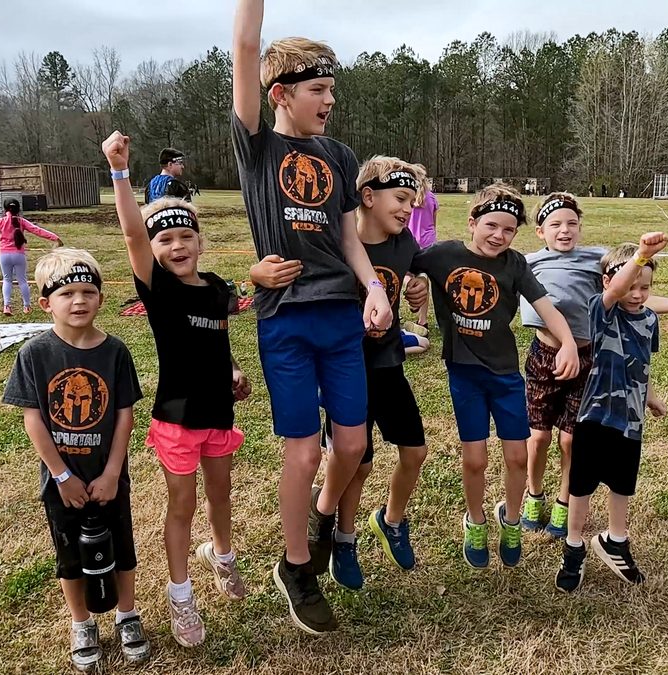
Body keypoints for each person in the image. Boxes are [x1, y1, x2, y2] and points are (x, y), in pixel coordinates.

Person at [232, 0, 392, 634]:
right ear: (281, 94)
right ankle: (296, 564)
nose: (329, 100)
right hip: (285, 318)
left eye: (332, 89)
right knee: (302, 453)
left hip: (342, 316)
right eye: (319, 90)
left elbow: (349, 234)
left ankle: (326, 516)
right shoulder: (256, 147)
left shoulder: (340, 153)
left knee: (352, 444)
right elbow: (245, 49)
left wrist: (373, 287)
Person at [252, 156, 429, 590]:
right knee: (357, 462)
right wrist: (255, 274)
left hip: (387, 364)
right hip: (346, 366)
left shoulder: (405, 243)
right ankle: (342, 535)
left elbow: (419, 273)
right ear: (366, 197)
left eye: (413, 202)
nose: (408, 209)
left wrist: (419, 286)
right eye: (401, 198)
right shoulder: (336, 247)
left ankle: (390, 520)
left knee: (416, 452)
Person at [103, 130, 251, 648]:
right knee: (182, 504)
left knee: (221, 495)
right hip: (176, 417)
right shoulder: (158, 290)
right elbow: (129, 235)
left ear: (200, 241)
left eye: (185, 237)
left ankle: (222, 556)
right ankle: (180, 594)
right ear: (154, 250)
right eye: (164, 240)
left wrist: (233, 372)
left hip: (218, 413)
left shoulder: (216, 288)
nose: (176, 246)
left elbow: (221, 341)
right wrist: (120, 171)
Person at [516, 193, 668, 538]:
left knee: (571, 442)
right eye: (555, 224)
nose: (565, 230)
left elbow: (633, 291)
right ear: (540, 231)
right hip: (545, 356)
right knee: (538, 437)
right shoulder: (526, 262)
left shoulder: (596, 258)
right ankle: (534, 493)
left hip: (589, 359)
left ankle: (563, 502)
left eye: (572, 223)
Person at [409, 182, 580, 570]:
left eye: (508, 230)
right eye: (491, 226)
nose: (498, 236)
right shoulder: (442, 255)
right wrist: (411, 285)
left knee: (517, 455)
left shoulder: (514, 264)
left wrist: (567, 342)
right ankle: (476, 520)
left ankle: (512, 519)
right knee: (475, 459)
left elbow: (545, 306)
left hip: (505, 376)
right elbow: (403, 264)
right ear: (472, 222)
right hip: (464, 375)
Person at [3, 248, 151, 671]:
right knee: (69, 554)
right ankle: (81, 622)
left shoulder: (116, 351)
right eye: (67, 293)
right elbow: (35, 420)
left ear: (101, 298)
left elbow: (124, 415)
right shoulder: (35, 354)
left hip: (108, 476)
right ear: (47, 301)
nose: (79, 300)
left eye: (88, 291)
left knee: (122, 547)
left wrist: (111, 472)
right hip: (61, 479)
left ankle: (127, 614)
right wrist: (62, 475)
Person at [555, 234, 668, 592]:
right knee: (582, 486)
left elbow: (641, 364)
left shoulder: (650, 320)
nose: (636, 294)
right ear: (609, 282)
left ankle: (614, 540)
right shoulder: (600, 309)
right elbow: (617, 289)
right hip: (594, 417)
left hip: (630, 420)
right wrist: (640, 256)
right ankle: (573, 547)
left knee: (622, 484)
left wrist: (651, 396)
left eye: (645, 287)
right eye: (631, 286)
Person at [0, 199, 62, 315]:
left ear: (5, 209)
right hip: (19, 255)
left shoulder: (1, 222)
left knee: (7, 280)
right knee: (22, 280)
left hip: (4, 255)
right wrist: (55, 237)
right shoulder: (22, 222)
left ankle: (7, 306)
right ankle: (26, 307)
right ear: (18, 209)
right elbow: (37, 230)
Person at [404, 176, 437, 335]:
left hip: (411, 239)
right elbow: (434, 221)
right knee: (424, 279)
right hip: (428, 241)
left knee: (407, 274)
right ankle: (423, 320)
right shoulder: (432, 198)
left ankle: (411, 288)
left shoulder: (410, 197)